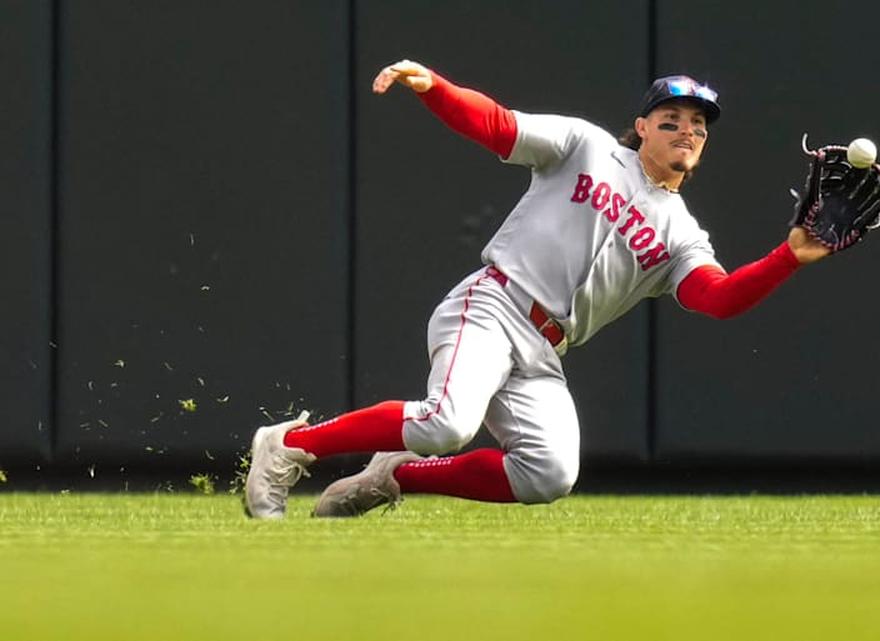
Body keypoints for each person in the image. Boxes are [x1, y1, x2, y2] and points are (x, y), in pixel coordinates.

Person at [244, 59, 831, 519]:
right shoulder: (587, 147)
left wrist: (790, 256)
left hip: (545, 351)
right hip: (494, 305)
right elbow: (498, 124)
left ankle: (393, 475)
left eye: (699, 125)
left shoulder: (682, 233)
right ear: (644, 126)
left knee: (549, 474)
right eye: (672, 118)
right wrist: (434, 87)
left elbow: (719, 298)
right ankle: (290, 444)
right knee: (446, 423)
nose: (688, 129)